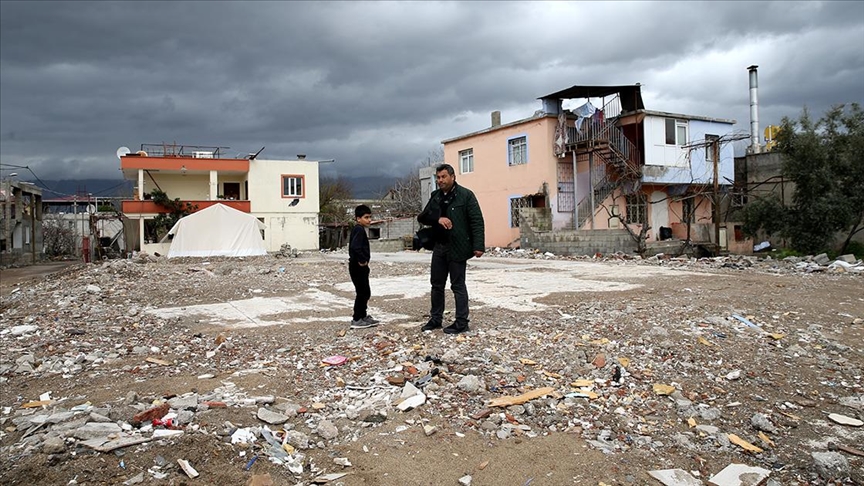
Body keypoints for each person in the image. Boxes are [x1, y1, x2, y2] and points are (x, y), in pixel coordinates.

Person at [418, 163, 485, 334]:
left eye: (443, 177)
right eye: (438, 177)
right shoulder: (436, 196)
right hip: (439, 247)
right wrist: (438, 218)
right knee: (436, 285)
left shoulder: (466, 195)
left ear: (453, 177)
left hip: (458, 247)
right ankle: (436, 319)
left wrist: (478, 246)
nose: (440, 180)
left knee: (458, 285)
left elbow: (476, 221)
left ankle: (462, 322)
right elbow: (423, 217)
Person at [348, 204, 379, 329]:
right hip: (357, 266)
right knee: (362, 292)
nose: (369, 220)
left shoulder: (360, 230)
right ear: (358, 218)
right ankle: (357, 319)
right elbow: (355, 247)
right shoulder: (359, 230)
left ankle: (363, 315)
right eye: (366, 217)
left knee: (365, 291)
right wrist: (361, 261)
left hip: (359, 266)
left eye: (370, 217)